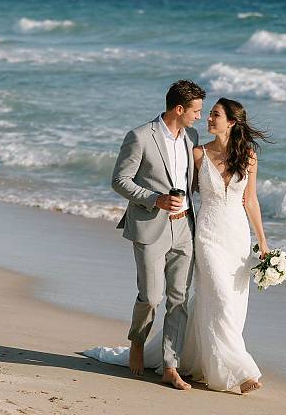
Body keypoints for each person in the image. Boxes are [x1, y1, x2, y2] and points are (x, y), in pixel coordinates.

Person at [84, 96, 271, 394]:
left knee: (227, 302)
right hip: (207, 234)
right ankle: (240, 370)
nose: (207, 119)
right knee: (220, 298)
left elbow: (250, 200)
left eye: (215, 115)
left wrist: (262, 242)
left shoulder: (248, 155)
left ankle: (194, 359)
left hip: (236, 236)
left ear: (232, 123)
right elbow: (175, 181)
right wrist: (156, 203)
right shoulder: (197, 151)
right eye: (206, 113)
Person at [107, 79, 205, 390]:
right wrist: (155, 199)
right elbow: (119, 180)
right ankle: (137, 341)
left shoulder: (191, 136)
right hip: (151, 224)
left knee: (179, 300)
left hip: (184, 226)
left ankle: (170, 366)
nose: (199, 117)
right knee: (150, 297)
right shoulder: (139, 136)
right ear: (179, 109)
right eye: (196, 111)